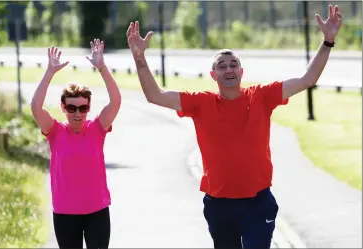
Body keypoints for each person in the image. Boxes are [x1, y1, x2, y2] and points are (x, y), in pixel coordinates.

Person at [126, 4, 342, 249]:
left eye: (233, 64)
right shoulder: (200, 103)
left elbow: (307, 79)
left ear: (241, 71)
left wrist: (328, 42)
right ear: (213, 74)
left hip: (258, 203)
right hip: (219, 205)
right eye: (222, 65)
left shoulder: (261, 96)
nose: (228, 69)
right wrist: (139, 58)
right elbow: (155, 95)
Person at [30, 39, 121, 249]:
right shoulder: (55, 131)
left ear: (88, 108)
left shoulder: (97, 128)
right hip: (64, 214)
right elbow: (36, 107)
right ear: (63, 108)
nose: (77, 113)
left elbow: (115, 101)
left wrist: (102, 67)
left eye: (82, 108)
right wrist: (50, 72)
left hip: (97, 212)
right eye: (71, 108)